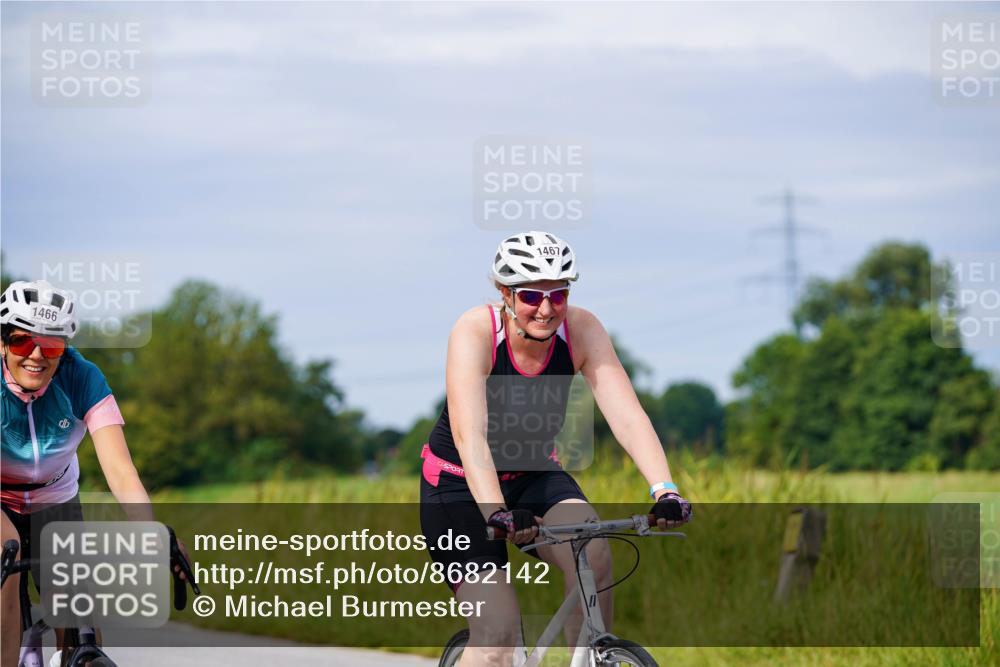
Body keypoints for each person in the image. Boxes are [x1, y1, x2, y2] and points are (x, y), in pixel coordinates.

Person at [419, 231, 693, 665]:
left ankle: (589, 658)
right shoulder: (475, 330)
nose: (546, 309)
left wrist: (665, 490)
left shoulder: (581, 329)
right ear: (504, 292)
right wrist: (496, 513)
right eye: (531, 295)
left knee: (595, 551)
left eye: (558, 295)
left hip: (533, 474)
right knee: (496, 633)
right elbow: (471, 436)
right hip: (457, 486)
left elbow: (627, 416)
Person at [0, 280, 185, 667]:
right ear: (2, 342)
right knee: (6, 549)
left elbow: (120, 470)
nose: (36, 355)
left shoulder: (82, 377)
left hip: (55, 496)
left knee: (82, 622)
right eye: (21, 342)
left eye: (50, 345)